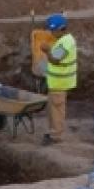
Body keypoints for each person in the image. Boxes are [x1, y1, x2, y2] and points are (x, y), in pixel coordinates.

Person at [34, 14, 76, 143]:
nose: (51, 33)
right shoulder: (64, 40)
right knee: (53, 109)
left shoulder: (66, 43)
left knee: (56, 110)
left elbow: (56, 59)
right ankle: (54, 132)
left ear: (61, 29)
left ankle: (55, 135)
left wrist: (47, 51)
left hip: (59, 83)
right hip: (57, 82)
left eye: (53, 30)